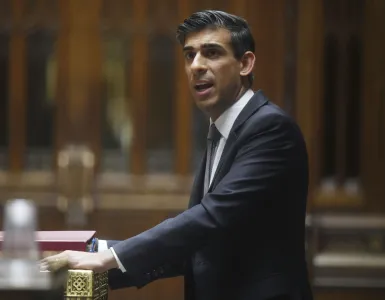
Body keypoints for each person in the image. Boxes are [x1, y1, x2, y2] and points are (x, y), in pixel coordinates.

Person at [41, 10, 313, 300]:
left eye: (211, 53)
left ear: (245, 63)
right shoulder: (221, 129)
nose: (196, 65)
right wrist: (97, 256)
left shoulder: (269, 128)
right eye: (189, 55)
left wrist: (108, 258)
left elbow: (212, 217)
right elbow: (199, 245)